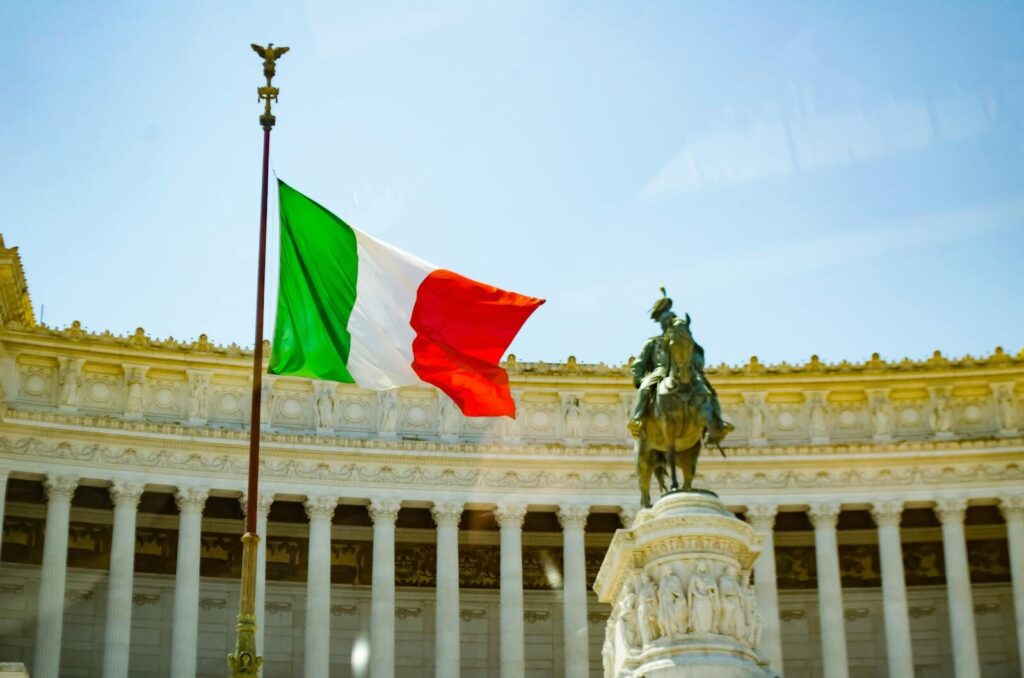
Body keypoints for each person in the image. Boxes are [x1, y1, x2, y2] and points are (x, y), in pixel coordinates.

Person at [629, 289, 732, 445]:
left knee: (707, 391)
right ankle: (637, 420)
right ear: (662, 323)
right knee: (645, 388)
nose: (668, 323)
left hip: (687, 370)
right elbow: (638, 364)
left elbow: (697, 354)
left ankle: (716, 423)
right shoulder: (653, 343)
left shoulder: (684, 339)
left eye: (670, 319)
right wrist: (639, 379)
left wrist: (696, 363)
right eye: (666, 320)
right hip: (660, 372)